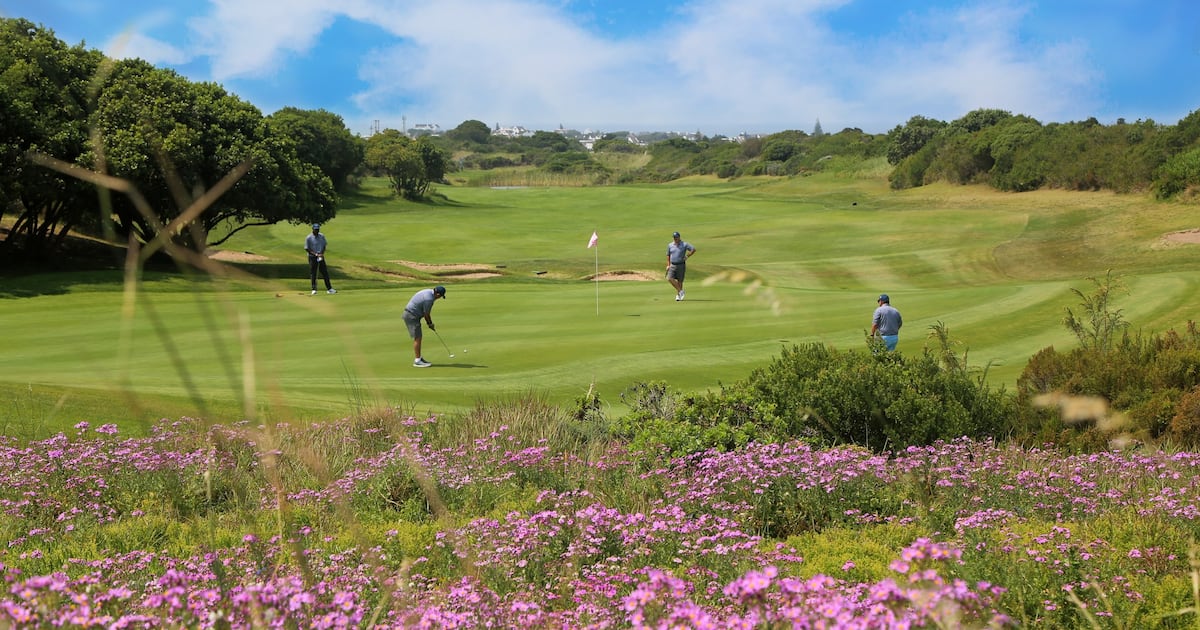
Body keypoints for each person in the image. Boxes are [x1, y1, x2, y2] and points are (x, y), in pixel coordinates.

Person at [402, 285, 446, 367]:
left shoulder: (428, 291)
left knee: (418, 337)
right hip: (411, 316)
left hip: (411, 314)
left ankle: (419, 358)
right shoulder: (429, 299)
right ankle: (417, 360)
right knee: (417, 337)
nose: (439, 298)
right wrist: (430, 324)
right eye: (440, 296)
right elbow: (426, 314)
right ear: (438, 294)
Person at [305, 223, 336, 295]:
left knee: (325, 273)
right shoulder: (309, 237)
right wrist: (315, 254)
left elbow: (324, 245)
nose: (317, 231)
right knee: (314, 273)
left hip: (320, 256)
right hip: (312, 257)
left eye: (318, 229)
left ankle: (329, 289)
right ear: (312, 229)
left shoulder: (321, 236)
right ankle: (313, 289)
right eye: (315, 229)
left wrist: (321, 254)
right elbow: (307, 248)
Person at [666, 231, 696, 301]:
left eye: (676, 237)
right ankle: (681, 291)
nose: (675, 239)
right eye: (674, 238)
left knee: (680, 281)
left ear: (679, 237)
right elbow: (668, 255)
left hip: (681, 265)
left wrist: (687, 256)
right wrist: (668, 265)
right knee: (669, 278)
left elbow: (693, 249)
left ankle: (678, 296)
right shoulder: (670, 245)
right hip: (672, 265)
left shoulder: (684, 244)